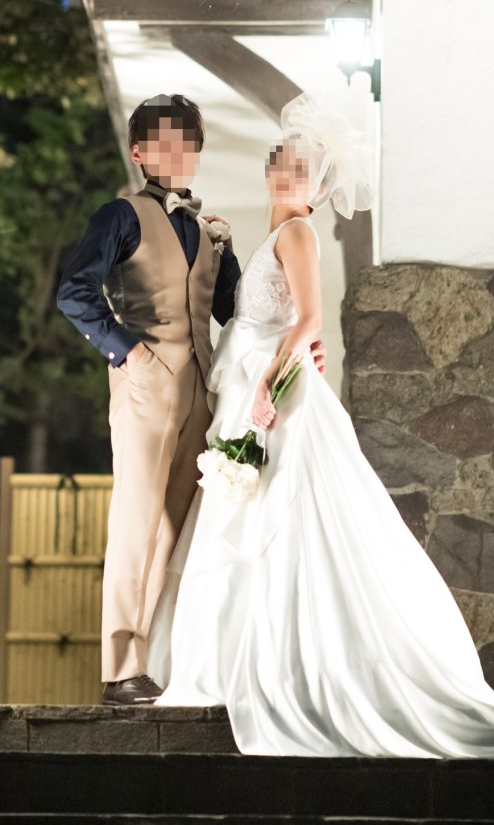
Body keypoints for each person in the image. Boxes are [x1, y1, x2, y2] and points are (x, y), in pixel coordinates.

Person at [148, 93, 494, 757]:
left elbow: (308, 319)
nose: (286, 177)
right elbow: (267, 316)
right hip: (253, 390)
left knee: (291, 526)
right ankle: (240, 662)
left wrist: (269, 388)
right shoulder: (275, 236)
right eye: (281, 165)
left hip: (273, 397)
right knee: (247, 527)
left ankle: (303, 670)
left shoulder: (299, 234)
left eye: (300, 172)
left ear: (316, 187)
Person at [57, 92, 325, 706]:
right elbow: (75, 292)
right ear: (139, 152)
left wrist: (301, 338)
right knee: (136, 522)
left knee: (177, 531)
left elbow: (237, 310)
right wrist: (127, 352)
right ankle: (120, 668)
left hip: (205, 391)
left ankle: (156, 662)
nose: (179, 155)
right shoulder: (120, 215)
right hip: (144, 387)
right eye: (165, 144)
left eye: (188, 145)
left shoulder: (205, 230)